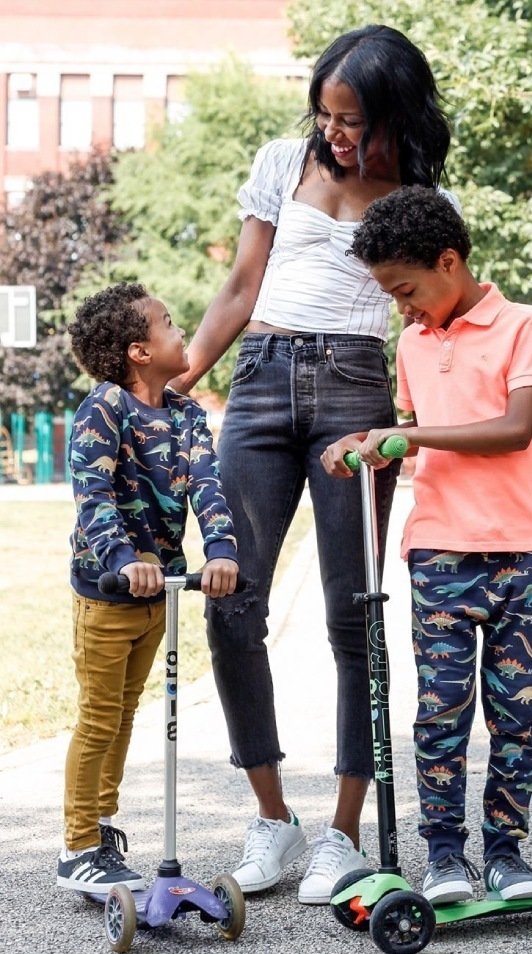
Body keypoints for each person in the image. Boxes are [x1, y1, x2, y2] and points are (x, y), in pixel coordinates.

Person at [167, 24, 454, 905]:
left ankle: (342, 833)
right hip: (257, 385)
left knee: (352, 614)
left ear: (394, 114)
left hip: (355, 393)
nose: (334, 132)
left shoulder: (417, 191)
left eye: (351, 119)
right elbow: (239, 287)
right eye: (325, 114)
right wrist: (178, 383)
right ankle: (272, 817)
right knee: (230, 598)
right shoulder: (282, 163)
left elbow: (431, 310)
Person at [321, 185, 532, 905]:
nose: (402, 309)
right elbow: (421, 441)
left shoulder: (524, 325)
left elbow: (513, 430)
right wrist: (367, 446)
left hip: (520, 552)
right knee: (440, 713)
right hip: (439, 554)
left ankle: (506, 854)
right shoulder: (413, 346)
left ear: (449, 262)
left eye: (406, 290)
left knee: (516, 715)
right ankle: (445, 855)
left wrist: (408, 435)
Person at [57, 282, 238, 894]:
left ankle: (102, 825)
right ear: (139, 351)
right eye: (168, 322)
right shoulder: (105, 408)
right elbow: (93, 496)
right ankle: (78, 845)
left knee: (126, 712)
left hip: (160, 590)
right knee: (99, 717)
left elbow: (208, 486)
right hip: (109, 591)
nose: (182, 330)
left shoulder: (186, 414)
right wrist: (122, 557)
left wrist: (221, 550)